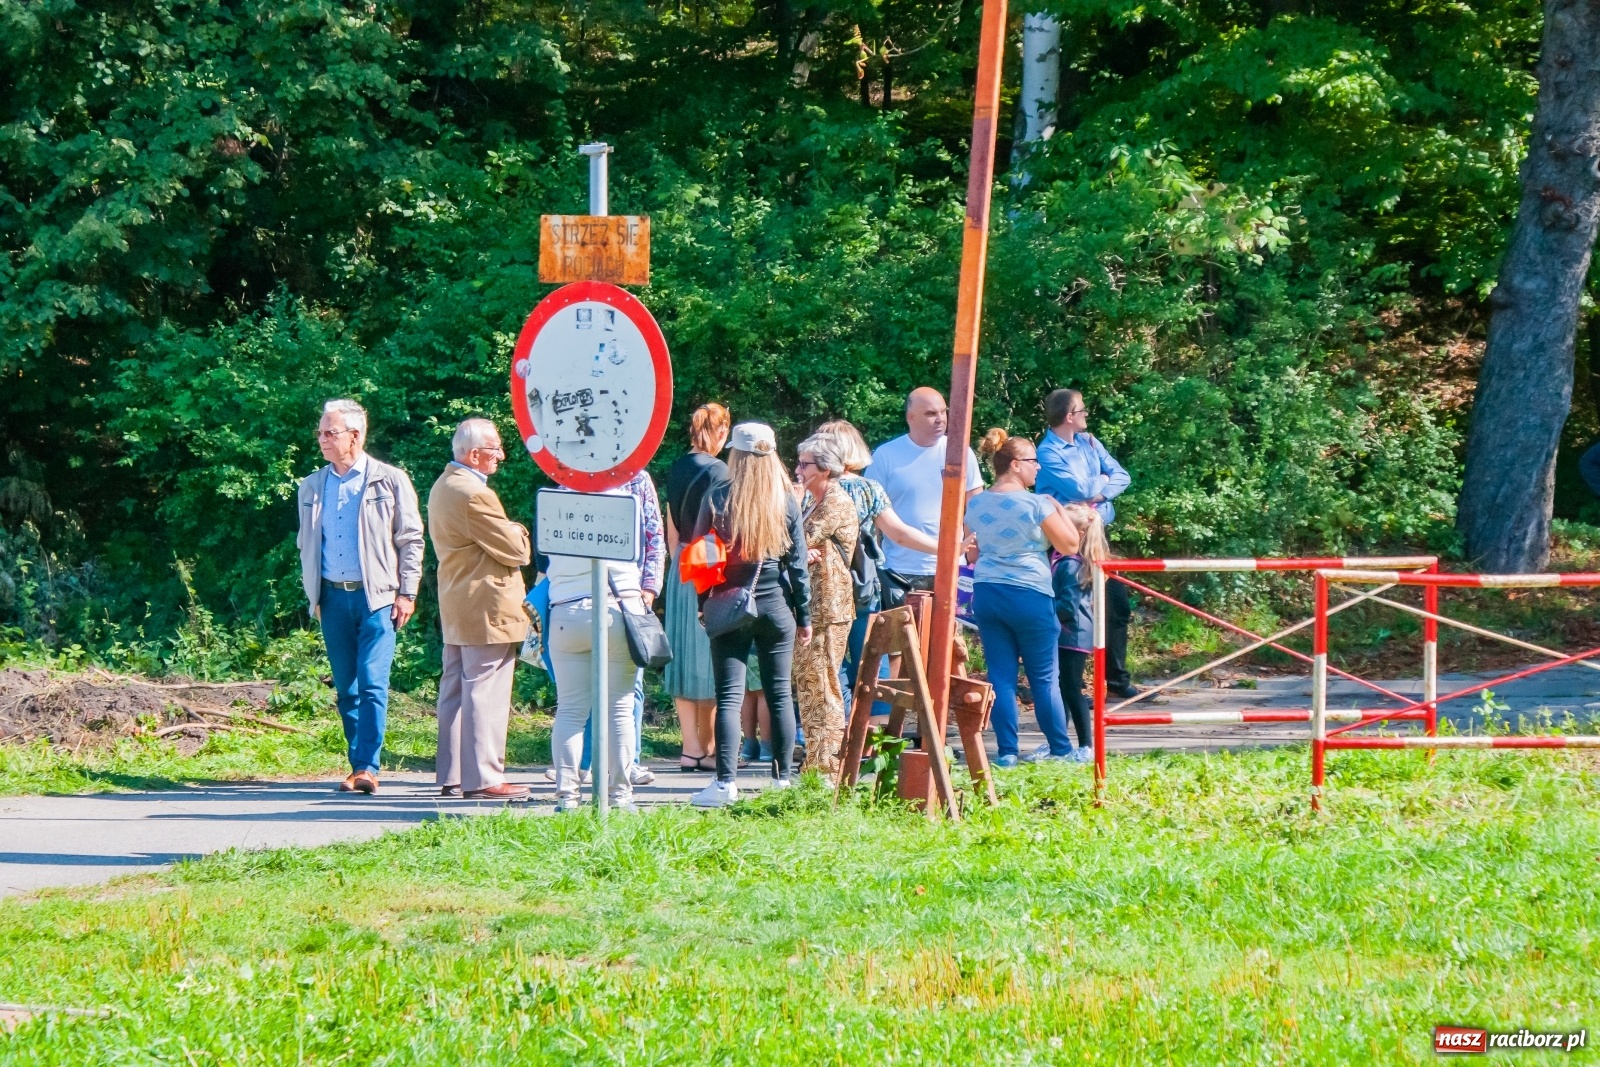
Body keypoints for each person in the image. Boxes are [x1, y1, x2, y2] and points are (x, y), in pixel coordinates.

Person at [296, 399, 424, 795]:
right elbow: (306, 543)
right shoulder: (312, 485)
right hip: (332, 599)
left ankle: (368, 765)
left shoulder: (389, 479)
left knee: (372, 683)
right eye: (320, 433)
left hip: (378, 599)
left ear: (356, 435)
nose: (321, 439)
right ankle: (357, 766)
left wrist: (407, 591)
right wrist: (313, 594)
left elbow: (410, 538)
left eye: (329, 433)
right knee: (347, 687)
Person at [688, 422, 811, 807]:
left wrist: (703, 605)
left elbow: (701, 555)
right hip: (776, 606)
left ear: (736, 455)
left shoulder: (718, 495)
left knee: (728, 696)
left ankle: (725, 785)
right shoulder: (786, 500)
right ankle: (782, 781)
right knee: (779, 694)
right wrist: (804, 616)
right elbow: (799, 565)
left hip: (729, 602)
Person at [966, 428, 1085, 767]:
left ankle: (1006, 753)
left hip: (988, 593)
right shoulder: (1038, 504)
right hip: (1029, 594)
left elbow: (972, 556)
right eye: (1034, 461)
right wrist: (1057, 508)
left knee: (1000, 676)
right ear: (1016, 465)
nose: (1038, 468)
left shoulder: (976, 503)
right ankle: (1061, 750)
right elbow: (1071, 546)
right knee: (1045, 677)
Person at [429, 418, 532, 801]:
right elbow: (517, 550)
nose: (501, 456)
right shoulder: (473, 493)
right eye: (494, 450)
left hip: (458, 601)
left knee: (456, 687)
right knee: (485, 689)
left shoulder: (443, 485)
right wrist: (520, 529)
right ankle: (485, 778)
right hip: (485, 605)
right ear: (474, 454)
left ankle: (454, 774)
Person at [543, 485, 647, 813]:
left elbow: (542, 558)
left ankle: (568, 799)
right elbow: (639, 553)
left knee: (571, 710)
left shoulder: (554, 500)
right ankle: (619, 797)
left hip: (566, 610)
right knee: (619, 709)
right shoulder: (623, 498)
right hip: (620, 607)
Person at [815, 419, 939, 692]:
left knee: (824, 659)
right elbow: (899, 533)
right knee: (871, 656)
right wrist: (943, 549)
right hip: (863, 582)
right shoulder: (867, 488)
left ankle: (830, 721)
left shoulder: (812, 488)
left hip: (820, 583)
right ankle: (876, 725)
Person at [1035, 388, 1138, 697]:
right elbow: (1079, 488)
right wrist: (1102, 484)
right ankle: (1071, 685)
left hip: (1096, 537)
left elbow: (1122, 475)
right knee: (1072, 613)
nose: (1087, 415)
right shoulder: (1047, 452)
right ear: (1069, 417)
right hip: (1068, 540)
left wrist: (1100, 490)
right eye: (1082, 411)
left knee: (1116, 607)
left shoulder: (1090, 443)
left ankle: (1116, 681)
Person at [864, 388, 984, 603]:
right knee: (904, 636)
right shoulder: (885, 456)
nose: (940, 419)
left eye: (943, 412)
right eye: (931, 414)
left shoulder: (960, 452)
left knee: (951, 636)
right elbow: (875, 519)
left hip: (954, 567)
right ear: (911, 417)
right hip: (902, 570)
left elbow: (975, 507)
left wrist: (972, 559)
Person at [663, 402, 731, 771]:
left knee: (684, 657)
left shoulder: (675, 467)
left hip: (682, 566)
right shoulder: (720, 470)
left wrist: (679, 568)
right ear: (720, 432)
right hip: (710, 566)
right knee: (712, 655)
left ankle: (691, 747)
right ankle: (710, 747)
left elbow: (671, 529)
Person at [793, 434, 859, 777]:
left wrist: (802, 551)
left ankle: (829, 766)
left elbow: (794, 543)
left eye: (804, 464)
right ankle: (814, 762)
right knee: (809, 684)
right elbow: (798, 549)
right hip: (811, 607)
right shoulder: (811, 502)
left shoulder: (835, 500)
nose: (798, 469)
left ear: (824, 469)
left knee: (824, 684)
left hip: (829, 609)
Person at [1052, 505, 1109, 756]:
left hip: (1069, 633)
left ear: (1078, 532)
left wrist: (1042, 616)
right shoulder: (1080, 563)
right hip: (1076, 633)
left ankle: (1085, 745)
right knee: (1064, 687)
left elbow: (1066, 606)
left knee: (1070, 689)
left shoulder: (1069, 564)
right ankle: (1061, 743)